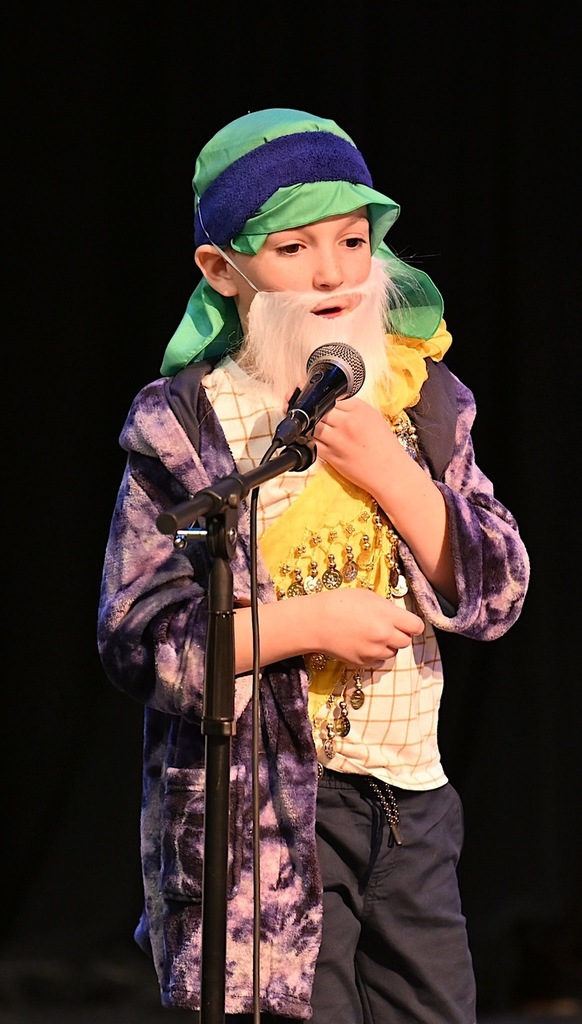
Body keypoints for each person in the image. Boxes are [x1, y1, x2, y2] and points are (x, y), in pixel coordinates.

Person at [97, 107, 530, 1023]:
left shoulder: (420, 396)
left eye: (353, 240)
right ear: (223, 269)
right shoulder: (189, 424)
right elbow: (139, 637)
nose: (333, 272)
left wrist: (394, 474)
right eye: (293, 247)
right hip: (259, 811)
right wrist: (308, 624)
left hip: (408, 797)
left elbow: (497, 591)